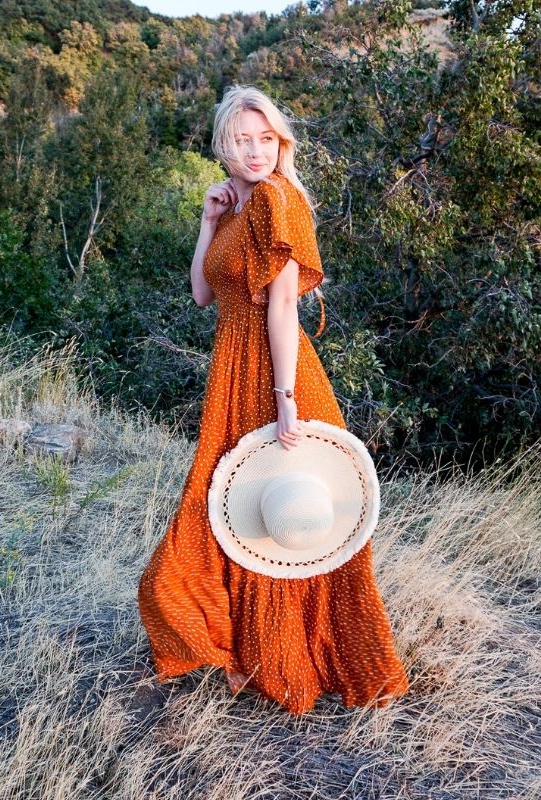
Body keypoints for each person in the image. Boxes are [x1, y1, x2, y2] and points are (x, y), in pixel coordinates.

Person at [137, 84, 409, 715]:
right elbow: (204, 295)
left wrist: (286, 398)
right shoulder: (237, 205)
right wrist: (208, 222)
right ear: (223, 147)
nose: (256, 150)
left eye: (266, 138)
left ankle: (297, 658)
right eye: (243, 140)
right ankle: (249, 651)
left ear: (280, 142)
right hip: (232, 374)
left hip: (275, 373)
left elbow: (283, 307)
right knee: (232, 514)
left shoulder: (276, 200)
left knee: (283, 517)